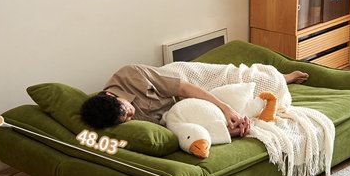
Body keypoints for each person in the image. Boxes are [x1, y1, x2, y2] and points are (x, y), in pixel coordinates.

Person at [80, 63, 308, 137]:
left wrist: (225, 108)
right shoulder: (123, 122)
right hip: (179, 108)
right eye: (126, 119)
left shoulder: (131, 75)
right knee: (246, 104)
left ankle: (283, 77)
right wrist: (226, 127)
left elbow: (184, 87)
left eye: (127, 110)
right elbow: (178, 126)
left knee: (251, 79)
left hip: (183, 80)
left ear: (111, 96)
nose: (131, 116)